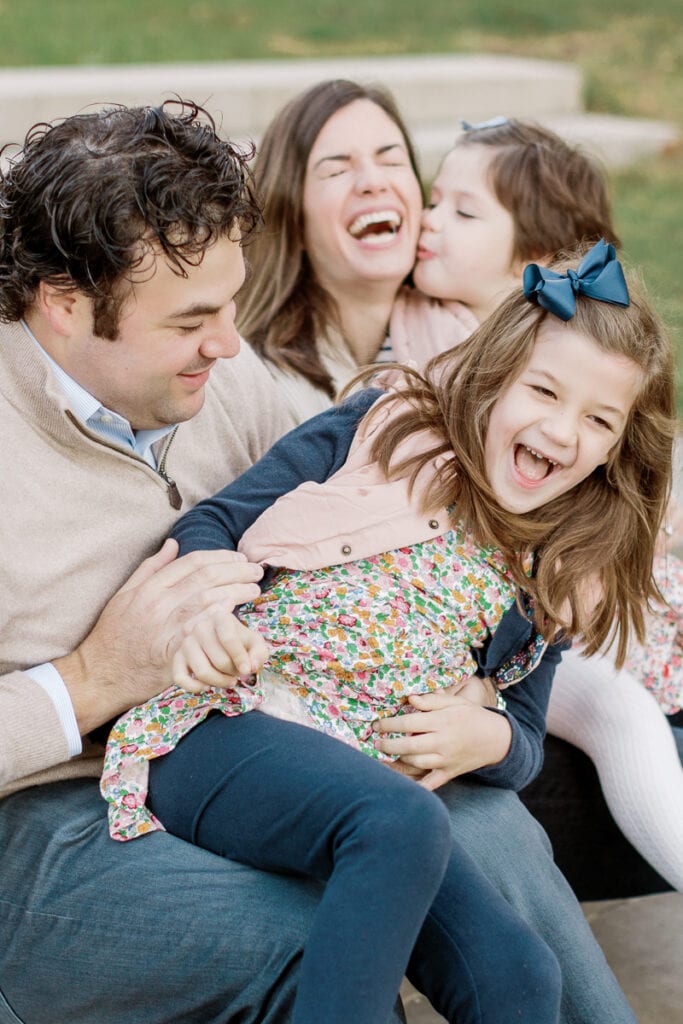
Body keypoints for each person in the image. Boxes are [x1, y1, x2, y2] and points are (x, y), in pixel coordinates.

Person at [102, 241, 675, 1024]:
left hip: (359, 770)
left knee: (517, 976)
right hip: (225, 727)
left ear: (615, 447)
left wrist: (491, 740)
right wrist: (207, 617)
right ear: (495, 373)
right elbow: (214, 523)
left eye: (597, 420)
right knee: (401, 822)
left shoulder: (560, 566)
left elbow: (527, 736)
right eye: (542, 390)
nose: (561, 429)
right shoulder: (380, 430)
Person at [240, 80, 683, 899]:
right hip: (399, 643)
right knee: (615, 712)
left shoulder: (463, 330)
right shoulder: (276, 375)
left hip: (545, 610)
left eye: (391, 159)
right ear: (289, 207)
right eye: (337, 166)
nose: (386, 190)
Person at [410, 115, 683, 892]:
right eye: (437, 200)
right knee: (620, 713)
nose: (427, 221)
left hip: (590, 599)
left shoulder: (568, 347)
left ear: (533, 264)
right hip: (513, 624)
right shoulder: (421, 343)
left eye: (461, 212)